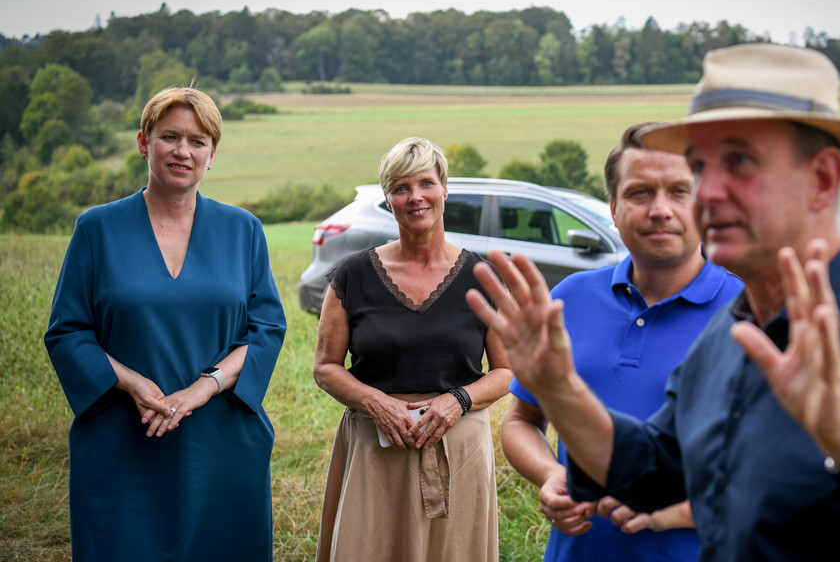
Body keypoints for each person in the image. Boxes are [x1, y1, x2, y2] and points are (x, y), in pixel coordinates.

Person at [467, 43, 840, 561]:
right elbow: (652, 470)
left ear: (821, 179)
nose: (708, 192)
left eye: (741, 163)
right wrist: (560, 391)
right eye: (701, 166)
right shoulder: (731, 333)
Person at [44, 86, 287, 561]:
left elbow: (266, 331)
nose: (183, 150)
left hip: (221, 443)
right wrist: (134, 383)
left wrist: (203, 388)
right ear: (143, 142)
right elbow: (67, 332)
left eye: (198, 141)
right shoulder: (96, 229)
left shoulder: (244, 230)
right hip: (122, 440)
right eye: (169, 136)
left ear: (212, 154)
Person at [501, 123, 743, 561]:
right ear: (612, 208)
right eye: (640, 193)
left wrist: (683, 507)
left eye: (679, 191)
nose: (660, 210)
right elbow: (522, 419)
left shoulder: (751, 313)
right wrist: (551, 473)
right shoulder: (569, 300)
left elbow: (791, 476)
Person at [312, 137, 512, 562]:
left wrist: (458, 400)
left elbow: (507, 370)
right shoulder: (353, 275)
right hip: (374, 447)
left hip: (458, 448)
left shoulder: (482, 275)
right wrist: (375, 402)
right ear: (388, 199)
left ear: (444, 189)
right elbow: (326, 366)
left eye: (425, 184)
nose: (415, 197)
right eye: (401, 188)